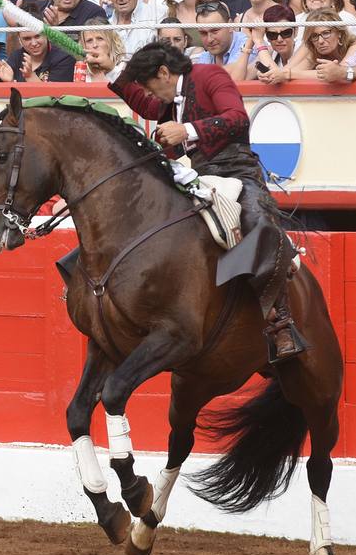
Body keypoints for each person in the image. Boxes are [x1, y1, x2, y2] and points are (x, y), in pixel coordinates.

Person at [109, 40, 308, 361]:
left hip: (238, 170)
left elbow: (238, 118)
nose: (149, 95)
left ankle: (280, 323)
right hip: (199, 174)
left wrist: (186, 130)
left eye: (149, 86)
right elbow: (146, 106)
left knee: (258, 224)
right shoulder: (172, 96)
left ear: (163, 73)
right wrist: (112, 71)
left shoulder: (210, 75)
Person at [281, 9, 356, 81]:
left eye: (326, 33)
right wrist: (285, 74)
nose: (320, 41)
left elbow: (336, 73)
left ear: (339, 33)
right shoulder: (315, 52)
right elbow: (296, 71)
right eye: (314, 36)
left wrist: (288, 74)